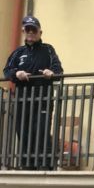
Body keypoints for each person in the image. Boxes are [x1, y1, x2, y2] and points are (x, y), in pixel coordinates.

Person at [2, 15, 63, 170]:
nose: (30, 32)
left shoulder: (48, 49)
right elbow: (7, 70)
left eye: (33, 30)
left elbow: (58, 70)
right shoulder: (18, 52)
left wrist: (51, 72)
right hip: (22, 100)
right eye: (28, 29)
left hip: (43, 99)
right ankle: (27, 165)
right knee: (23, 130)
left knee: (41, 130)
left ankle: (45, 165)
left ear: (40, 32)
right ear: (24, 31)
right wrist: (17, 73)